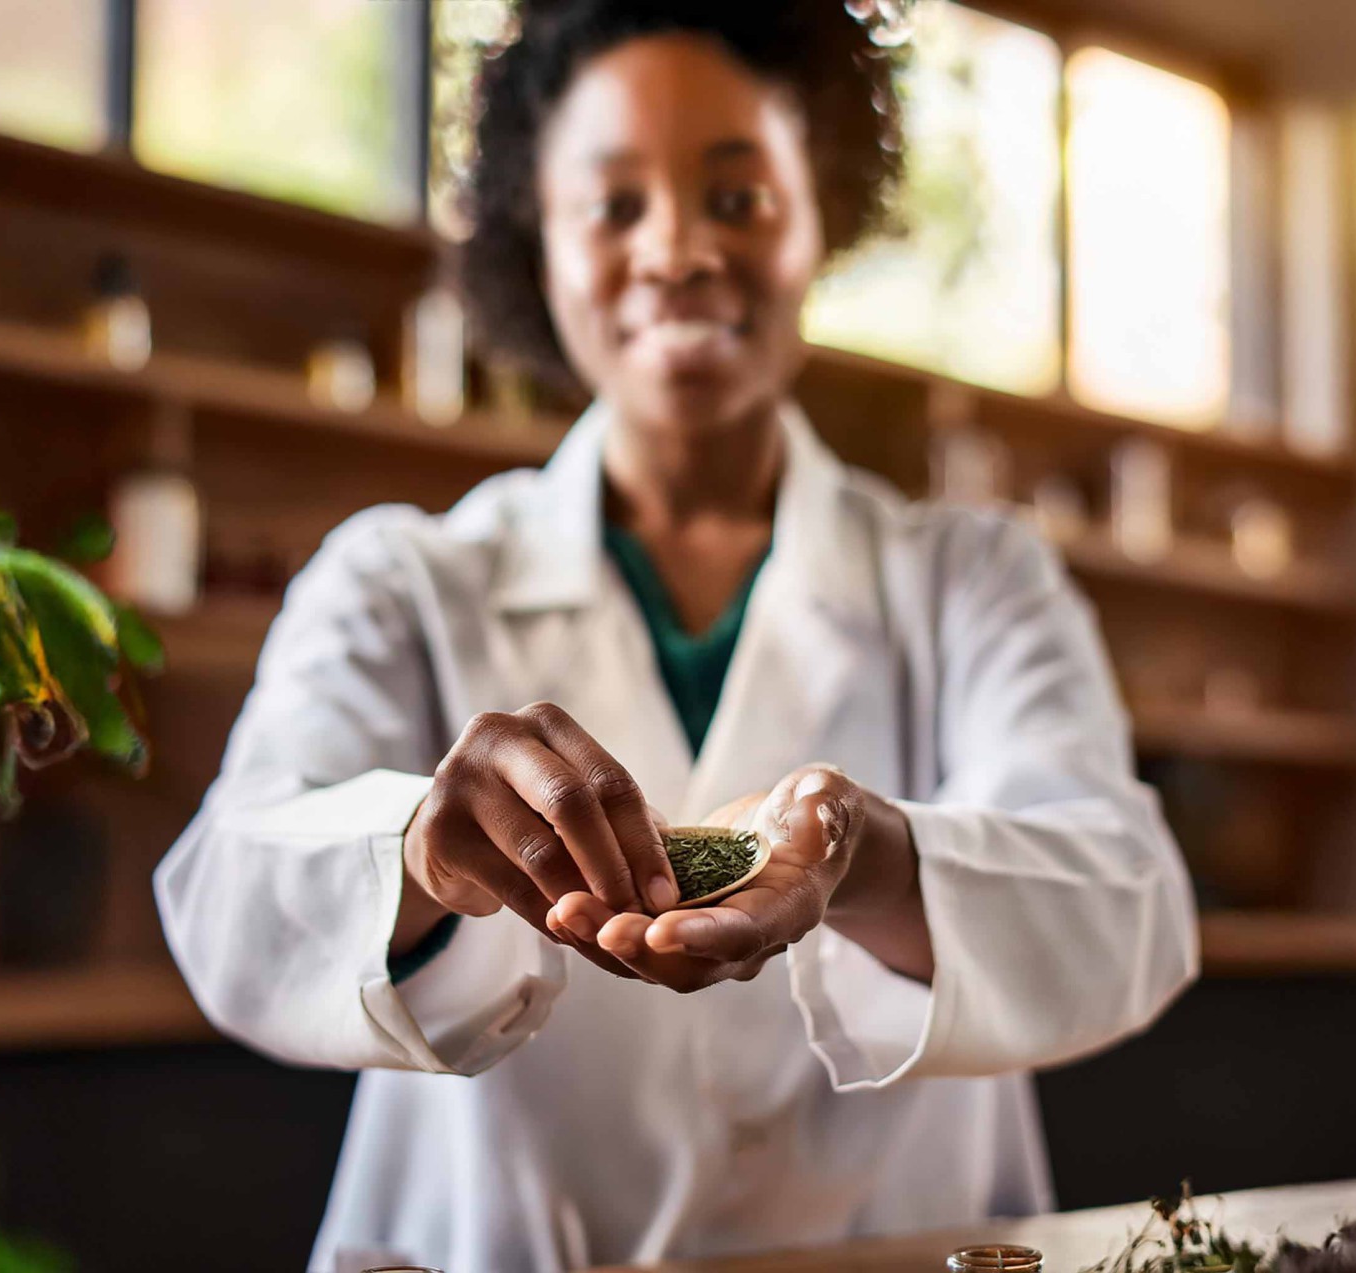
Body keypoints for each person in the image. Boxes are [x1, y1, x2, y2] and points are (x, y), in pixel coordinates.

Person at [155, 3, 1198, 1269]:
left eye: (739, 198)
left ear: (822, 216)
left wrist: (864, 858)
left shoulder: (975, 578)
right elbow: (229, 900)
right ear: (541, 242)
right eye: (613, 206)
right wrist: (423, 850)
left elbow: (1125, 904)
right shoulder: (400, 577)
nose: (680, 251)